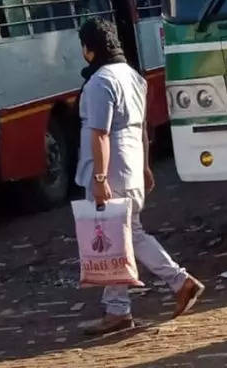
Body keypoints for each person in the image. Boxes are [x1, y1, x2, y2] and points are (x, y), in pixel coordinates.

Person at [76, 19, 204, 335]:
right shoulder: (133, 76)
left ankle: (179, 281)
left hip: (111, 168)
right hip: (131, 162)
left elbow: (100, 134)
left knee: (121, 236)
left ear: (89, 48)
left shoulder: (99, 82)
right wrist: (146, 166)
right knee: (123, 236)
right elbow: (144, 129)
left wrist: (100, 178)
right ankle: (120, 309)